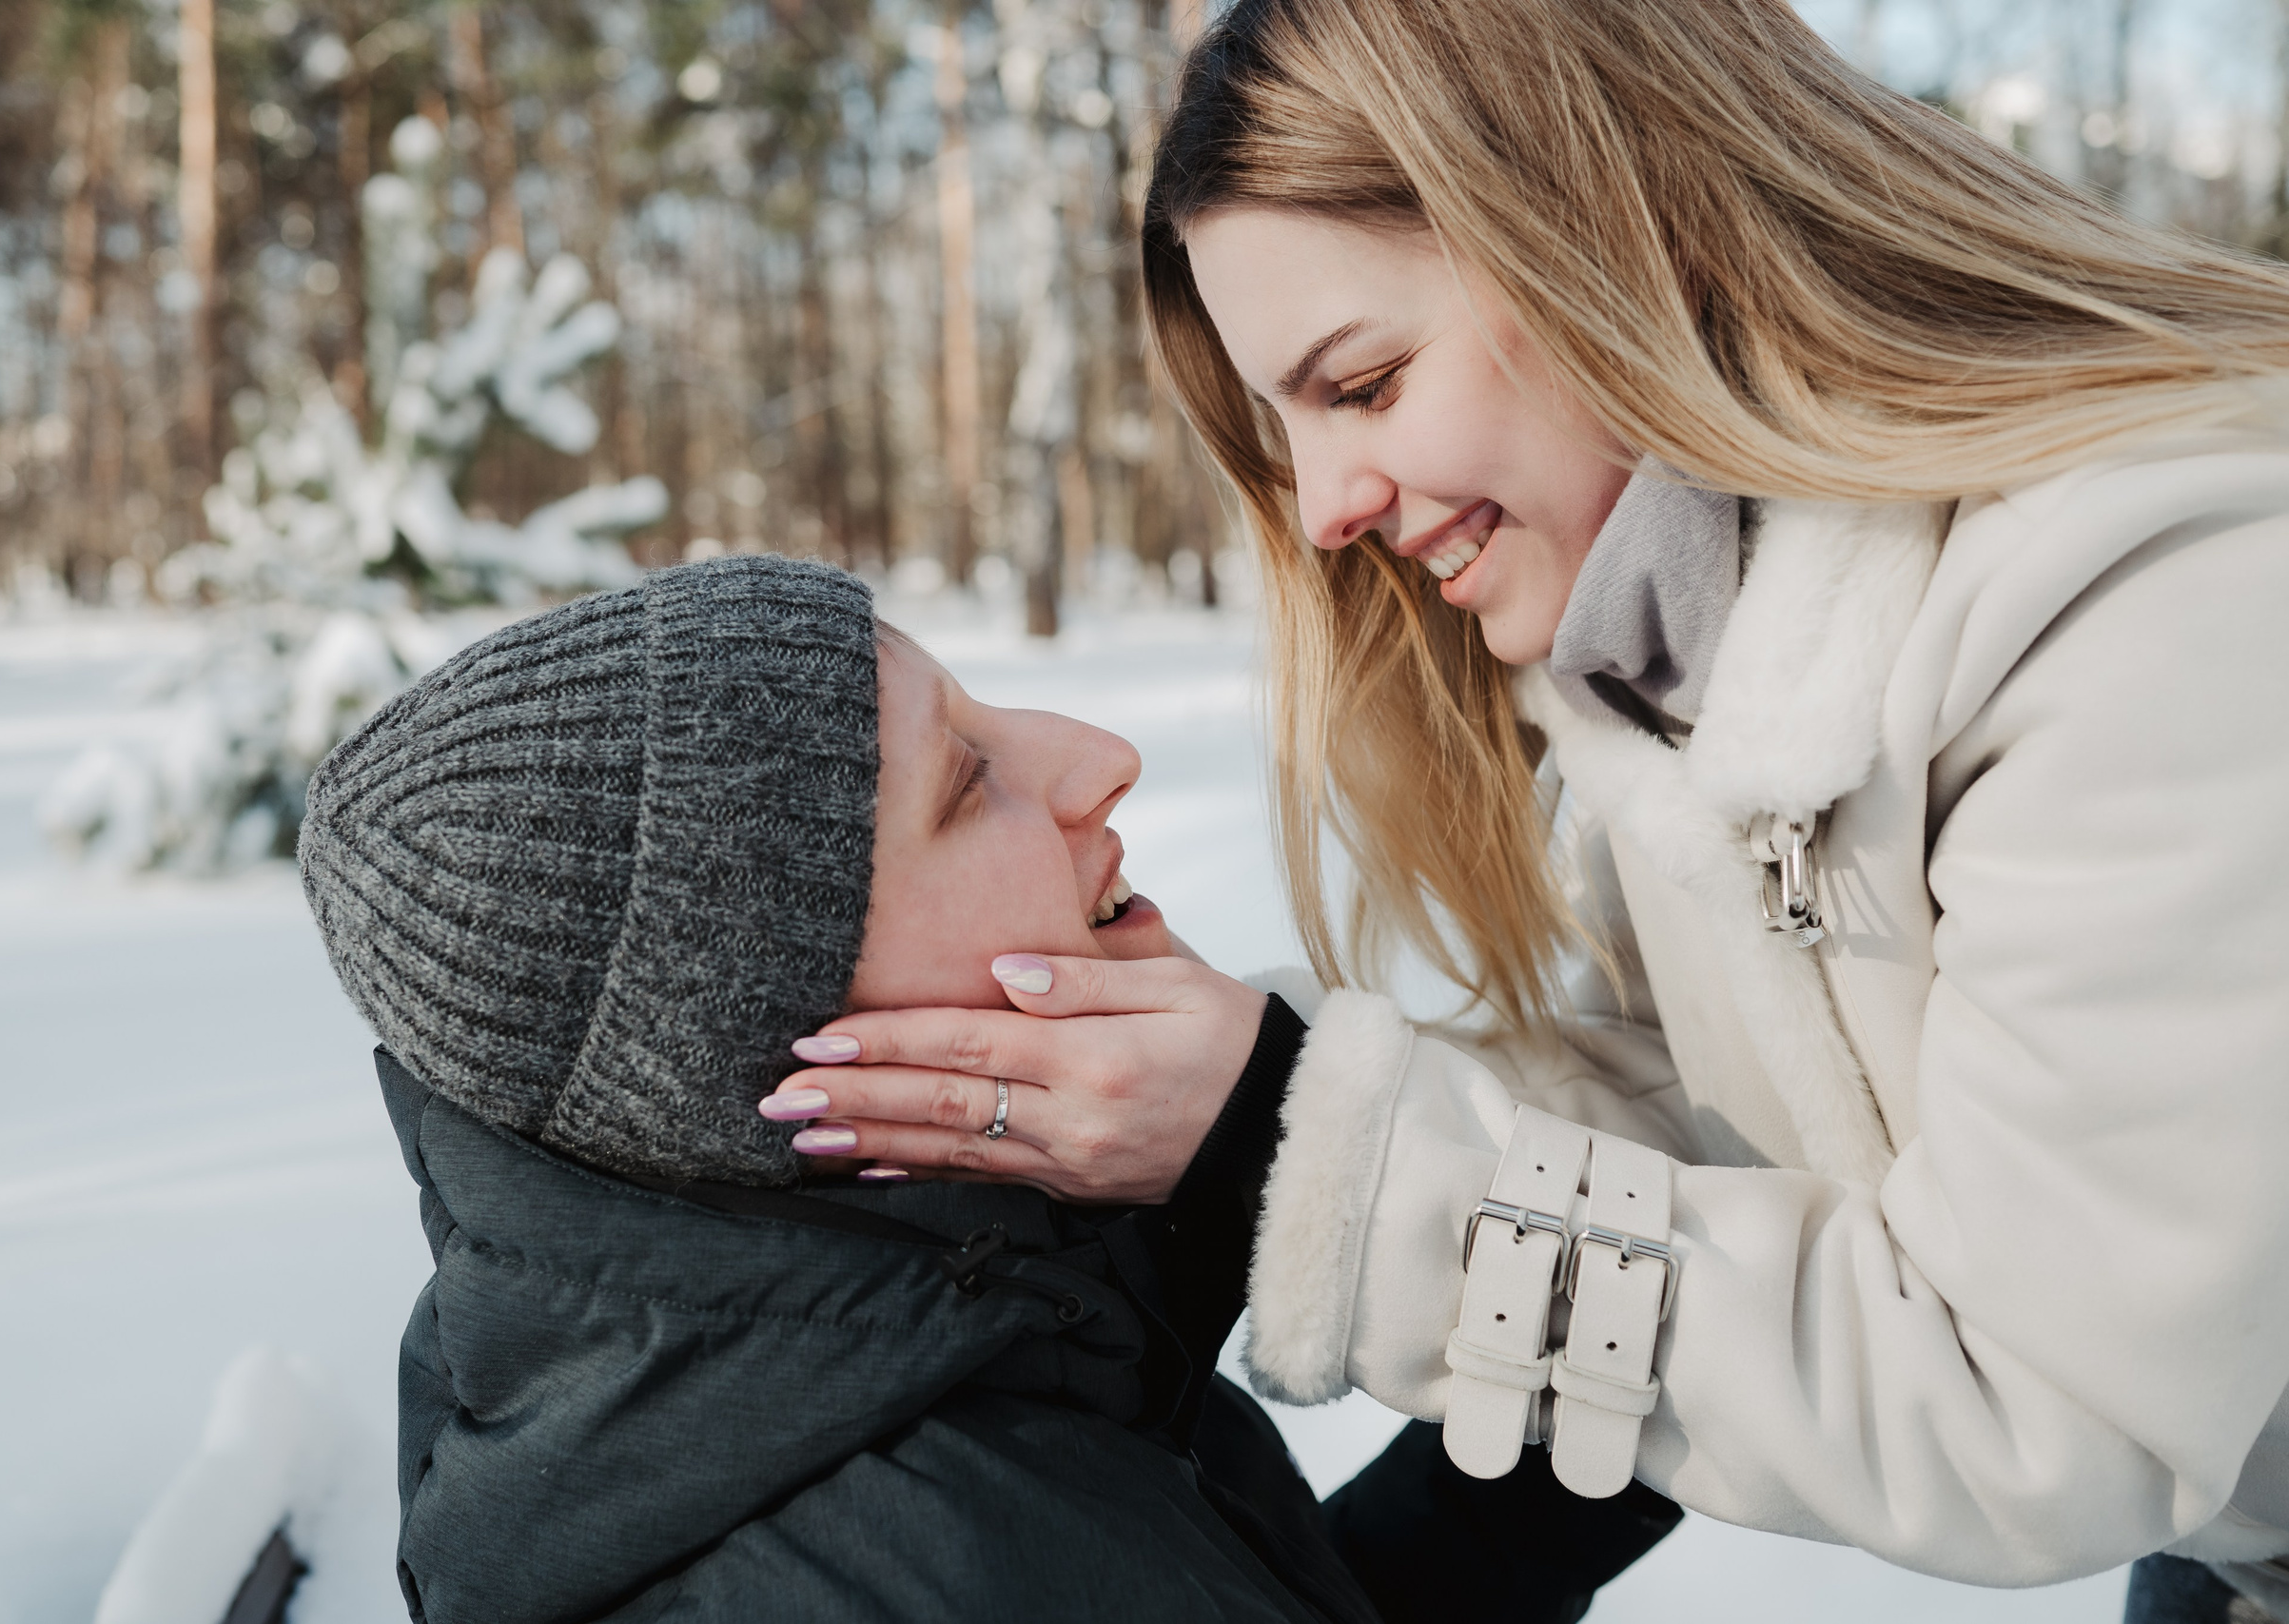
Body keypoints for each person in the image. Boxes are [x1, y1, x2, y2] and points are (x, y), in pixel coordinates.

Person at [771, 3, 2289, 1619]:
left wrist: (1281, 1136)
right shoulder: (1685, 651)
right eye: (1287, 430)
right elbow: (1711, 1131)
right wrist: (1242, 1101)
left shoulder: (2162, 602)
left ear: (1612, 227)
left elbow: (2044, 1405)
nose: (1325, 507)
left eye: (1364, 384)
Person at [297, 556, 1674, 1623]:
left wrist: (1531, 1487)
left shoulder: (907, 1343)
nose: (1097, 756)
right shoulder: (926, 1553)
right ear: (792, 1037)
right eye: (967, 782)